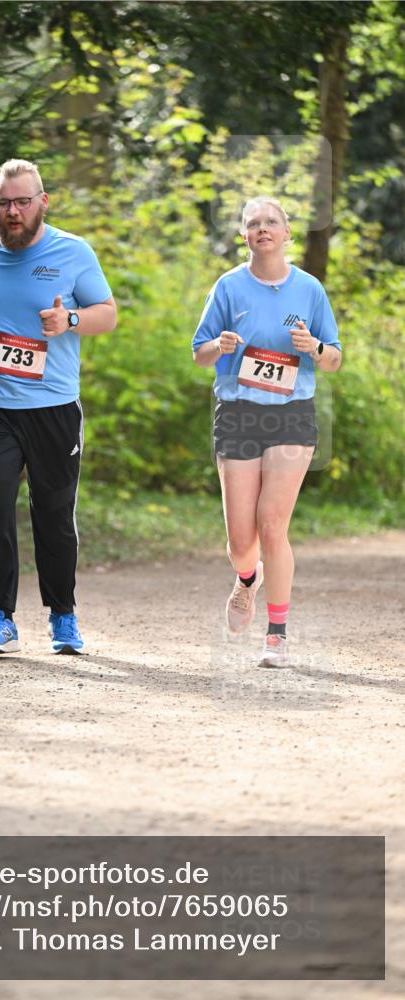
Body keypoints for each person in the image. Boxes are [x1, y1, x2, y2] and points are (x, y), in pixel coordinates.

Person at [0, 158, 117, 657]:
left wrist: (69, 320)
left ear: (43, 202)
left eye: (22, 201)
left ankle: (62, 616)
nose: (13, 211)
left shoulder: (73, 251)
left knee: (53, 514)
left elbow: (106, 315)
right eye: (4, 202)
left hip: (53, 408)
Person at [192, 196, 342, 667]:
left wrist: (315, 347)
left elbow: (335, 358)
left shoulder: (309, 289)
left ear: (287, 232)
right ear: (243, 235)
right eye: (253, 223)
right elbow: (199, 352)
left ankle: (277, 633)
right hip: (238, 412)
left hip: (291, 414)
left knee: (272, 524)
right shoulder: (229, 286)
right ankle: (246, 579)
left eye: (271, 222)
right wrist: (220, 344)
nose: (262, 229)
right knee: (241, 541)